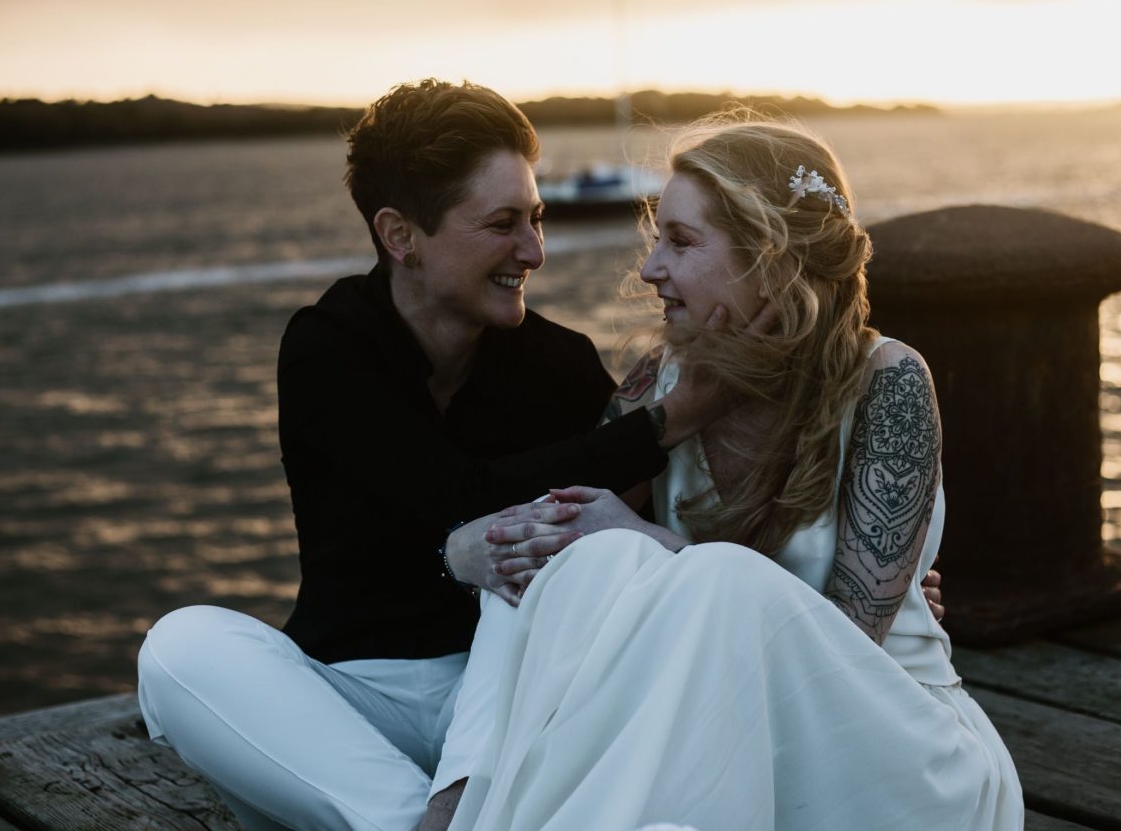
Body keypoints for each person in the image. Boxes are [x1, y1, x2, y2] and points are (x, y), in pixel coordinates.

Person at [136, 81, 945, 831]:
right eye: (502, 225)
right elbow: (457, 494)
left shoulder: (560, 366)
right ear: (400, 236)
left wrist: (897, 587)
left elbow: (609, 555)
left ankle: (454, 810)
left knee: (540, 553)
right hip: (358, 688)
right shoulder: (329, 351)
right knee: (180, 651)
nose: (534, 251)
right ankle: (422, 822)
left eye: (537, 217)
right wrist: (673, 417)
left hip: (513, 691)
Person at [442, 115, 1023, 831]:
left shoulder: (887, 383)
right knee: (564, 569)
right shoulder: (660, 383)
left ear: (768, 257)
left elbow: (845, 647)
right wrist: (462, 551)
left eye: (682, 243)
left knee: (707, 575)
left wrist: (663, 547)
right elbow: (559, 550)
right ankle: (460, 812)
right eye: (659, 240)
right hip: (725, 738)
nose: (652, 269)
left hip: (891, 743)